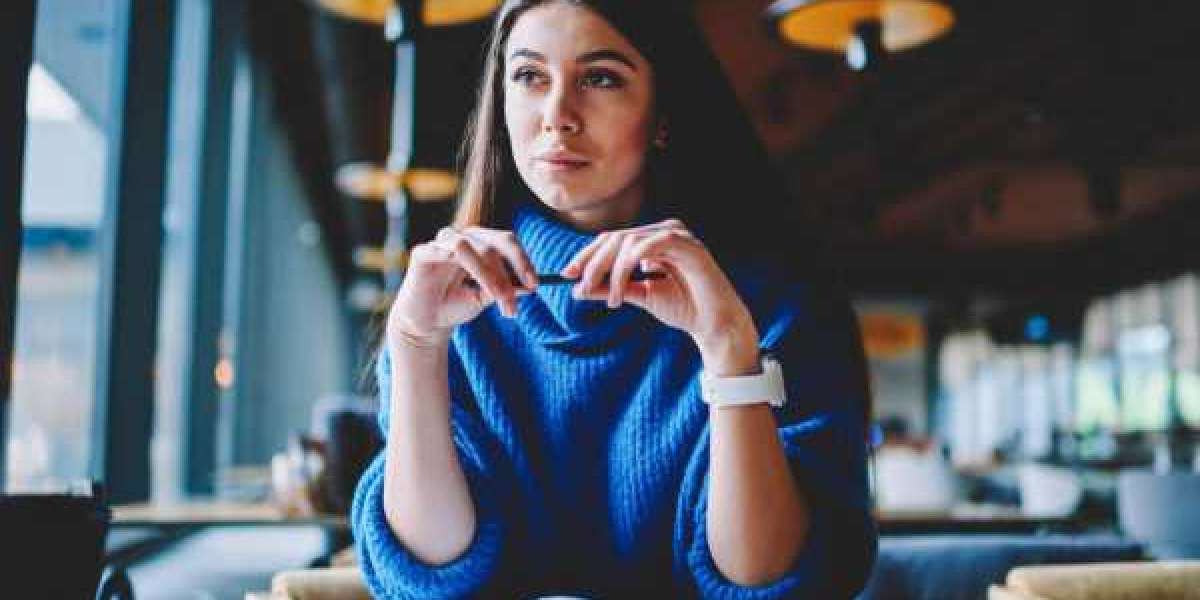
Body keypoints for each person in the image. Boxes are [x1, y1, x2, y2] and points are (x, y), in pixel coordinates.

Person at [351, 0, 877, 597]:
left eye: (600, 78)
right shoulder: (448, 310)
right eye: (529, 76)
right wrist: (415, 347)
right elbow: (429, 580)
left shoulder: (776, 308)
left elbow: (775, 586)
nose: (557, 116)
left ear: (663, 114)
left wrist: (730, 353)